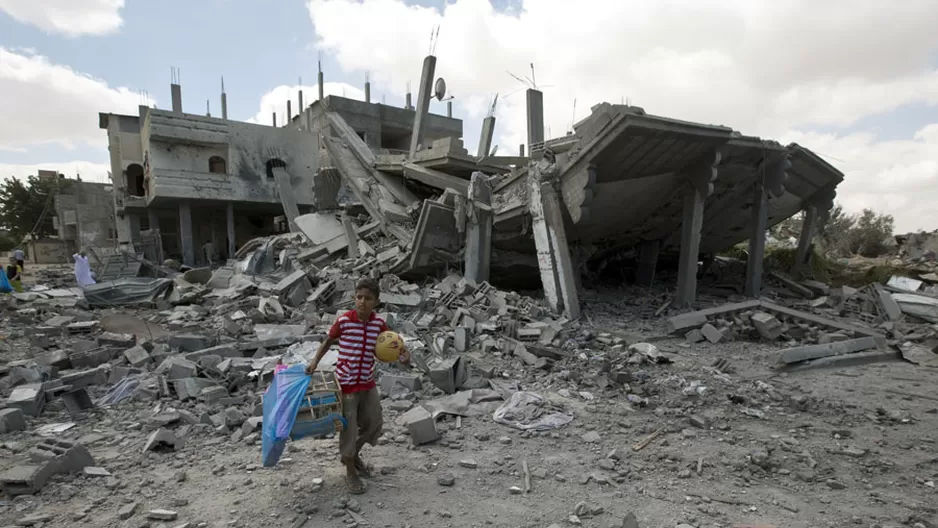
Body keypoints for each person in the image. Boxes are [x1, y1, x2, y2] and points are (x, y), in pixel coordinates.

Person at [306, 277, 410, 494]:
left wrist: (404, 357)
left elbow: (388, 351)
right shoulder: (344, 321)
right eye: (359, 297)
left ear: (376, 302)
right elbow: (327, 342)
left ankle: (351, 456)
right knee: (349, 429)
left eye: (368, 298)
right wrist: (314, 362)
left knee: (374, 423)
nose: (362, 302)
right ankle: (351, 471)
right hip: (346, 385)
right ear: (354, 298)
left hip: (367, 383)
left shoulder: (379, 326)